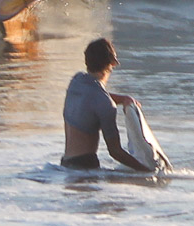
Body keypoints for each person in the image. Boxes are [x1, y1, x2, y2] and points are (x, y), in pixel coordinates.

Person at [61, 37, 153, 172]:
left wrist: (123, 99)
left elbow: (93, 99)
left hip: (66, 164)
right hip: (85, 166)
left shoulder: (76, 81)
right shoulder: (105, 104)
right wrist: (145, 170)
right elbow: (115, 151)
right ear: (113, 62)